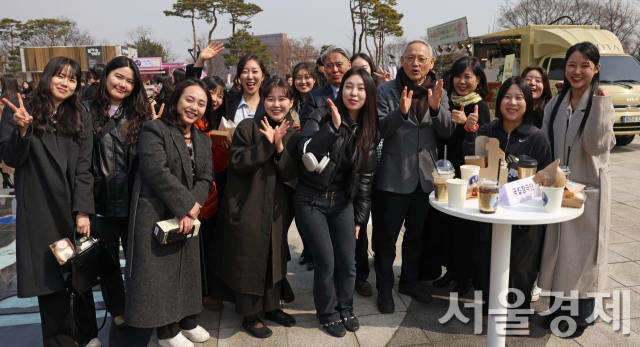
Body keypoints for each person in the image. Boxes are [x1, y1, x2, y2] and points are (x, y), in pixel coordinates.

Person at [0, 57, 98, 347]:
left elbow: (84, 167)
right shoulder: (20, 109)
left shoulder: (80, 113)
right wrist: (22, 131)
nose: (65, 83)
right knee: (51, 288)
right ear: (46, 76)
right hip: (40, 212)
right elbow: (10, 160)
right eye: (59, 76)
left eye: (71, 79)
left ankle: (85, 335)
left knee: (77, 280)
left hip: (70, 211)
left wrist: (83, 210)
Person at [124, 79, 215, 347]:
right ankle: (166, 331)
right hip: (155, 210)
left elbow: (206, 177)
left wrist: (193, 207)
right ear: (176, 99)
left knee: (187, 269)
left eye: (201, 103)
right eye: (189, 99)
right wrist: (187, 206)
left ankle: (187, 320)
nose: (194, 107)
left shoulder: (202, 139)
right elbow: (156, 172)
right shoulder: (155, 129)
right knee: (160, 273)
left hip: (187, 212)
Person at [210, 78, 299, 338]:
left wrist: (280, 146)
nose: (276, 104)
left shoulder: (292, 134)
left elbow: (292, 175)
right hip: (247, 206)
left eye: (283, 99)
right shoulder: (248, 127)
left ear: (291, 103)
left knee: (274, 256)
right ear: (263, 100)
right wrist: (267, 143)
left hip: (276, 209)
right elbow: (238, 162)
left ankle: (271, 307)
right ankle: (249, 314)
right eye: (270, 98)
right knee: (248, 258)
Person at [463, 76, 552, 332]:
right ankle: (485, 312)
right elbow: (472, 168)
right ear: (499, 100)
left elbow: (544, 179)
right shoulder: (487, 131)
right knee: (483, 264)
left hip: (524, 219)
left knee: (521, 268)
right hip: (488, 212)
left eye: (519, 97)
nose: (512, 103)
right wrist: (470, 135)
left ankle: (518, 314)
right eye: (507, 97)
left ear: (530, 103)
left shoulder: (538, 138)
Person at [539, 42, 615, 338]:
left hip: (589, 189)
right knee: (559, 251)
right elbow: (546, 142)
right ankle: (558, 308)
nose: (577, 71)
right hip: (560, 188)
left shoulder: (601, 100)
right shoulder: (557, 102)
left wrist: (601, 104)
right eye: (572, 64)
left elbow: (596, 145)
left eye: (585, 65)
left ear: (596, 69)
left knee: (584, 254)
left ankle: (582, 315)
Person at [295, 67, 378, 337]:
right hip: (310, 199)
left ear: (369, 94)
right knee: (326, 261)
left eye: (361, 88)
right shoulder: (320, 113)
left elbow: (365, 177)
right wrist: (332, 127)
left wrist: (359, 218)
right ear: (341, 89)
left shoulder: (368, 127)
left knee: (349, 260)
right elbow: (305, 153)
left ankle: (346, 307)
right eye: (349, 86)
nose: (354, 93)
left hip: (342, 202)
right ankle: (327, 313)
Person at [374, 39, 455, 314]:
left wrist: (435, 108)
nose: (415, 63)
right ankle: (384, 288)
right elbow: (380, 130)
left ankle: (409, 281)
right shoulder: (386, 90)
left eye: (422, 58)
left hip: (424, 178)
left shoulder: (438, 91)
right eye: (410, 58)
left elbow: (445, 132)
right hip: (393, 178)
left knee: (416, 237)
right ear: (402, 61)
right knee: (387, 238)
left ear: (431, 63)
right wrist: (402, 112)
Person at [83, 56, 154, 329]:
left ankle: (140, 304)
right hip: (99, 203)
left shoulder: (141, 114)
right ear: (106, 75)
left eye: (130, 81)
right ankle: (117, 308)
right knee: (108, 263)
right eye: (118, 77)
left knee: (139, 261)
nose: (123, 84)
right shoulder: (84, 111)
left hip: (135, 202)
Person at [429, 56, 491, 295]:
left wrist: (468, 124)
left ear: (478, 80)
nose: (462, 81)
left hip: (469, 177)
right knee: (448, 225)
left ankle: (465, 276)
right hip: (447, 173)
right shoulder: (446, 103)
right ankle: (452, 271)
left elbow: (482, 146)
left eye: (468, 76)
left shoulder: (480, 107)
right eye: (458, 76)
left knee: (465, 228)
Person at [289, 61, 318, 270]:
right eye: (298, 77)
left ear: (314, 79)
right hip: (294, 161)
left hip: (316, 162)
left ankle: (315, 251)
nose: (303, 81)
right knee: (300, 212)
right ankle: (307, 248)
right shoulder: (289, 102)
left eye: (307, 77)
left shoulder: (321, 99)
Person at [299, 46, 351, 129]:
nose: (335, 70)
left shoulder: (360, 94)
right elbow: (306, 129)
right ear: (325, 69)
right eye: (329, 66)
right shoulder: (314, 97)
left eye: (339, 64)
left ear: (349, 65)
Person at [227, 54, 266, 123]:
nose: (250, 77)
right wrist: (201, 61)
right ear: (239, 77)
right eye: (245, 72)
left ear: (263, 76)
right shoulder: (227, 102)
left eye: (255, 71)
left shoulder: (268, 106)